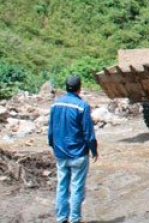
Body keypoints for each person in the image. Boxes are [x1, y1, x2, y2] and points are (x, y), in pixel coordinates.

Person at [48, 75, 99, 223]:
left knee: (62, 185)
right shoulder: (82, 106)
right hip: (78, 154)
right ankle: (75, 219)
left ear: (66, 87)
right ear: (80, 88)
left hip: (60, 153)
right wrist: (94, 150)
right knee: (77, 187)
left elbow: (51, 131)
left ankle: (61, 218)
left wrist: (53, 146)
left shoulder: (55, 105)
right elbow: (88, 133)